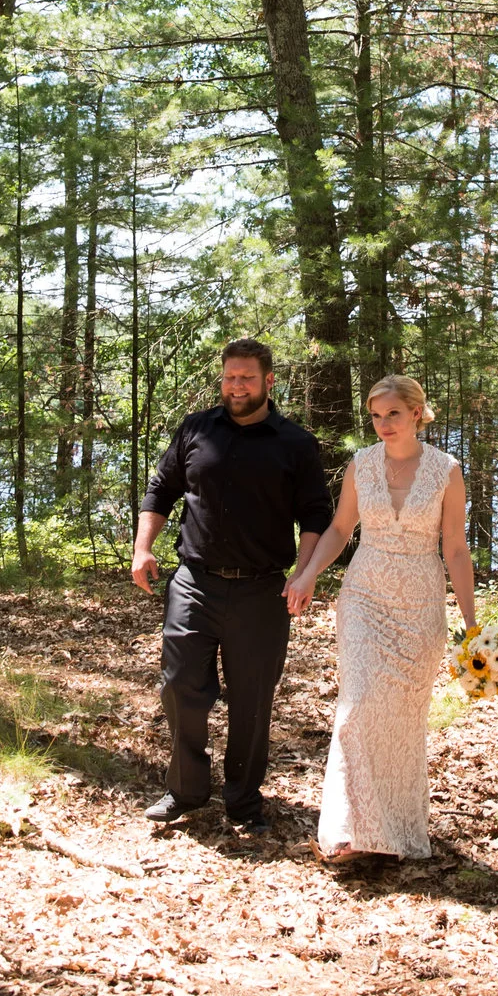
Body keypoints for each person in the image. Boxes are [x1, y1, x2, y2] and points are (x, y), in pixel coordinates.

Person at [131, 338, 332, 832]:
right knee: (180, 687)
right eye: (229, 377)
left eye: (246, 378)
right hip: (193, 582)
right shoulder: (197, 429)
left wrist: (304, 574)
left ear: (268, 382)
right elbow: (162, 488)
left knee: (252, 699)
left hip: (262, 592)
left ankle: (243, 800)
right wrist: (142, 547)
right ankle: (186, 790)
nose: (235, 386)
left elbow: (315, 517)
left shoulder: (296, 444)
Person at [287, 374, 476, 863]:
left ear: (416, 412)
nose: (383, 424)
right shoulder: (361, 466)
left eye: (392, 413)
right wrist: (306, 575)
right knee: (358, 706)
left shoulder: (445, 471)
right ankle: (348, 833)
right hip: (364, 599)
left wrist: (470, 623)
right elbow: (339, 529)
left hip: (419, 606)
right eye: (375, 415)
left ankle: (392, 832)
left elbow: (455, 548)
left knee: (400, 722)